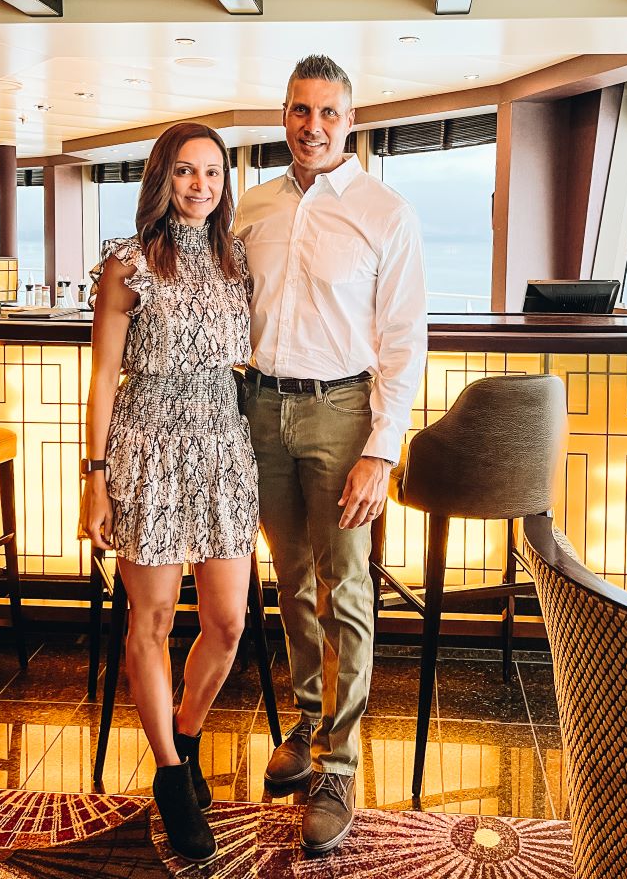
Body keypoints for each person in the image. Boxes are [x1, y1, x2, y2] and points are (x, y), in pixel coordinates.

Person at [234, 55, 427, 854]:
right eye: (299, 111)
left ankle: (341, 767)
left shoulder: (386, 213)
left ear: (351, 121)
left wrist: (380, 452)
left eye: (329, 113)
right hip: (260, 406)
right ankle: (308, 724)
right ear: (284, 115)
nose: (312, 126)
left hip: (343, 411)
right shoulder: (250, 206)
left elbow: (404, 341)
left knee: (346, 586)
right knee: (290, 581)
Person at [80, 122, 258, 864]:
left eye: (212, 173)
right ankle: (170, 775)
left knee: (226, 622)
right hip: (146, 448)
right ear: (162, 179)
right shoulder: (126, 266)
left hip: (221, 446)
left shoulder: (234, 258)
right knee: (149, 621)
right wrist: (93, 477)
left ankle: (183, 733)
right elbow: (101, 377)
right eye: (185, 172)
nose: (200, 186)